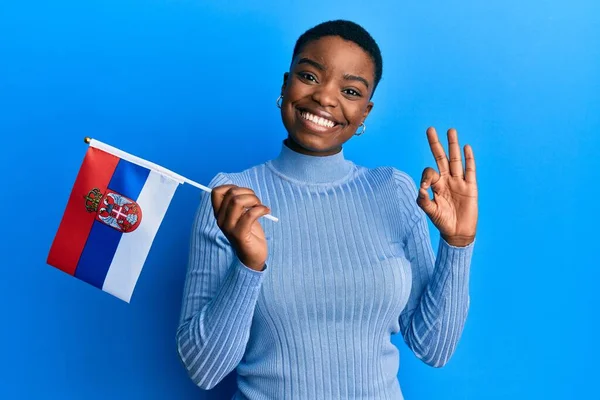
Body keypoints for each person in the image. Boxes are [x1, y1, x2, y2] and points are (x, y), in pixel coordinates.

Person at [176, 19, 478, 400]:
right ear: (286, 86)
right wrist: (249, 266)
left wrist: (458, 243)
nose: (325, 98)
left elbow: (434, 349)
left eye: (350, 90)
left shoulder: (394, 191)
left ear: (364, 112)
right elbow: (204, 369)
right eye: (310, 76)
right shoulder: (230, 197)